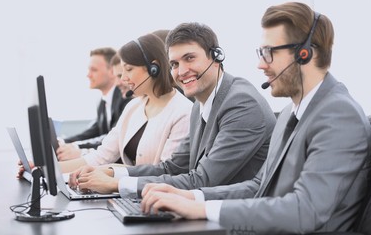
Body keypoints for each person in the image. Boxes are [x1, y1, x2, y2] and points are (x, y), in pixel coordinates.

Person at [139, 2, 371, 234]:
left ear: (305, 54)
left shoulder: (339, 115)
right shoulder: (289, 114)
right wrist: (190, 197)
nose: (260, 64)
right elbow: (259, 187)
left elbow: (305, 211)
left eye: (269, 53)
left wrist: (203, 209)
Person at [68, 22, 276, 197]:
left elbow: (203, 180)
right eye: (174, 64)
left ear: (216, 57)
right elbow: (171, 168)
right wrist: (113, 172)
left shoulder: (241, 104)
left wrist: (117, 185)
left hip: (237, 220)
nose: (182, 71)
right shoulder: (201, 105)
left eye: (190, 58)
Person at [53, 33, 193, 173]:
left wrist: (112, 174)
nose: (124, 79)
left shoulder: (183, 112)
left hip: (152, 192)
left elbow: (166, 171)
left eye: (129, 69)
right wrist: (49, 170)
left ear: (153, 68)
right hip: (127, 190)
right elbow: (101, 157)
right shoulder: (133, 107)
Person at [56, 48, 127, 161]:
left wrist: (76, 147)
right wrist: (64, 142)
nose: (88, 75)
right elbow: (93, 131)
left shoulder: (125, 97)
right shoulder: (102, 102)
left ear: (112, 71)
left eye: (94, 70)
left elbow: (113, 139)